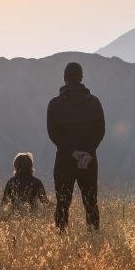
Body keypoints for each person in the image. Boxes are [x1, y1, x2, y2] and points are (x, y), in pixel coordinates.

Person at [47, 61, 105, 231]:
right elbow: (100, 131)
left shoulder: (55, 104)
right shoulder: (94, 102)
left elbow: (53, 134)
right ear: (81, 78)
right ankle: (94, 238)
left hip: (65, 160)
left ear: (64, 78)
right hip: (88, 161)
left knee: (63, 203)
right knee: (90, 202)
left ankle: (61, 238)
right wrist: (86, 153)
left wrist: (72, 153)